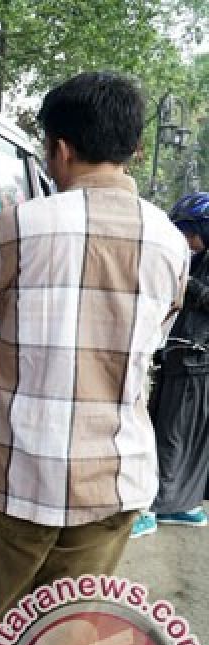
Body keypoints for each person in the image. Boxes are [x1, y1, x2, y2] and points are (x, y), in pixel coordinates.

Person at [0, 72, 188, 645]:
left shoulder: (20, 226)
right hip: (116, 472)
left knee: (24, 632)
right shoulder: (173, 242)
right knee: (82, 622)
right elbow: (153, 338)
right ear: (136, 147)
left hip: (20, 474)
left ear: (57, 148)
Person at [134, 191, 209, 536]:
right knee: (167, 429)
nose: (185, 240)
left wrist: (184, 281)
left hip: (196, 361)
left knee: (172, 435)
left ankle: (155, 506)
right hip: (179, 356)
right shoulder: (197, 258)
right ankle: (182, 505)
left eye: (188, 232)